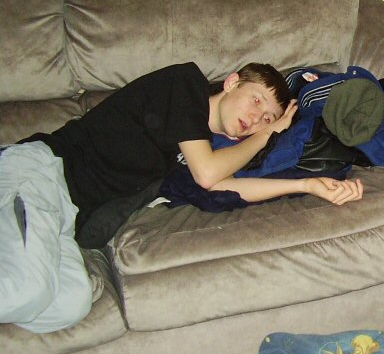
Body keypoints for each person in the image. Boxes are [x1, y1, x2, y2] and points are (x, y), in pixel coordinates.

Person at [0, 62, 363, 334]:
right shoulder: (185, 84)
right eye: (256, 100)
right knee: (29, 289)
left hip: (65, 216)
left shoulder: (192, 148)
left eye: (266, 118)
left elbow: (221, 186)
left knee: (70, 304)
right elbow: (208, 173)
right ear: (232, 82)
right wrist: (268, 134)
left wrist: (308, 185)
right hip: (40, 173)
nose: (256, 119)